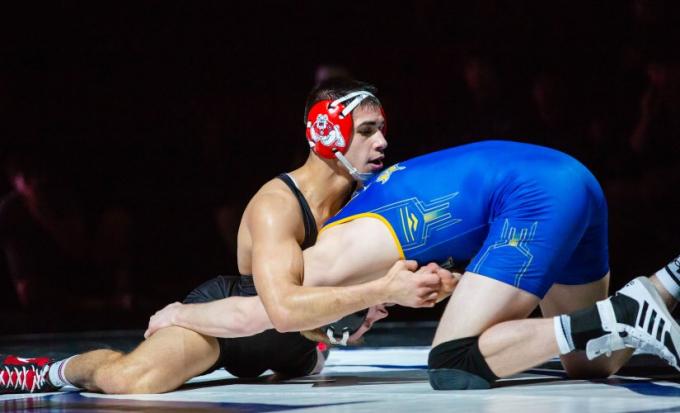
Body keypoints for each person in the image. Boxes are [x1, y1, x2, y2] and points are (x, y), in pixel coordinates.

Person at [0, 78, 451, 394]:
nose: (382, 144)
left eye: (382, 131)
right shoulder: (277, 206)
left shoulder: (367, 200)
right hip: (227, 325)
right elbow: (282, 308)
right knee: (131, 381)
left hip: (295, 345)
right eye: (368, 131)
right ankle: (50, 371)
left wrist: (356, 318)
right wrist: (378, 291)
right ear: (327, 133)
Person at [145, 140, 680, 390]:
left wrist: (181, 315)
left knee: (452, 360)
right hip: (570, 177)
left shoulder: (330, 253)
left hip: (534, 196)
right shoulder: (372, 217)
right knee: (592, 362)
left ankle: (620, 314)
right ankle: (667, 282)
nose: (366, 322)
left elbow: (272, 312)